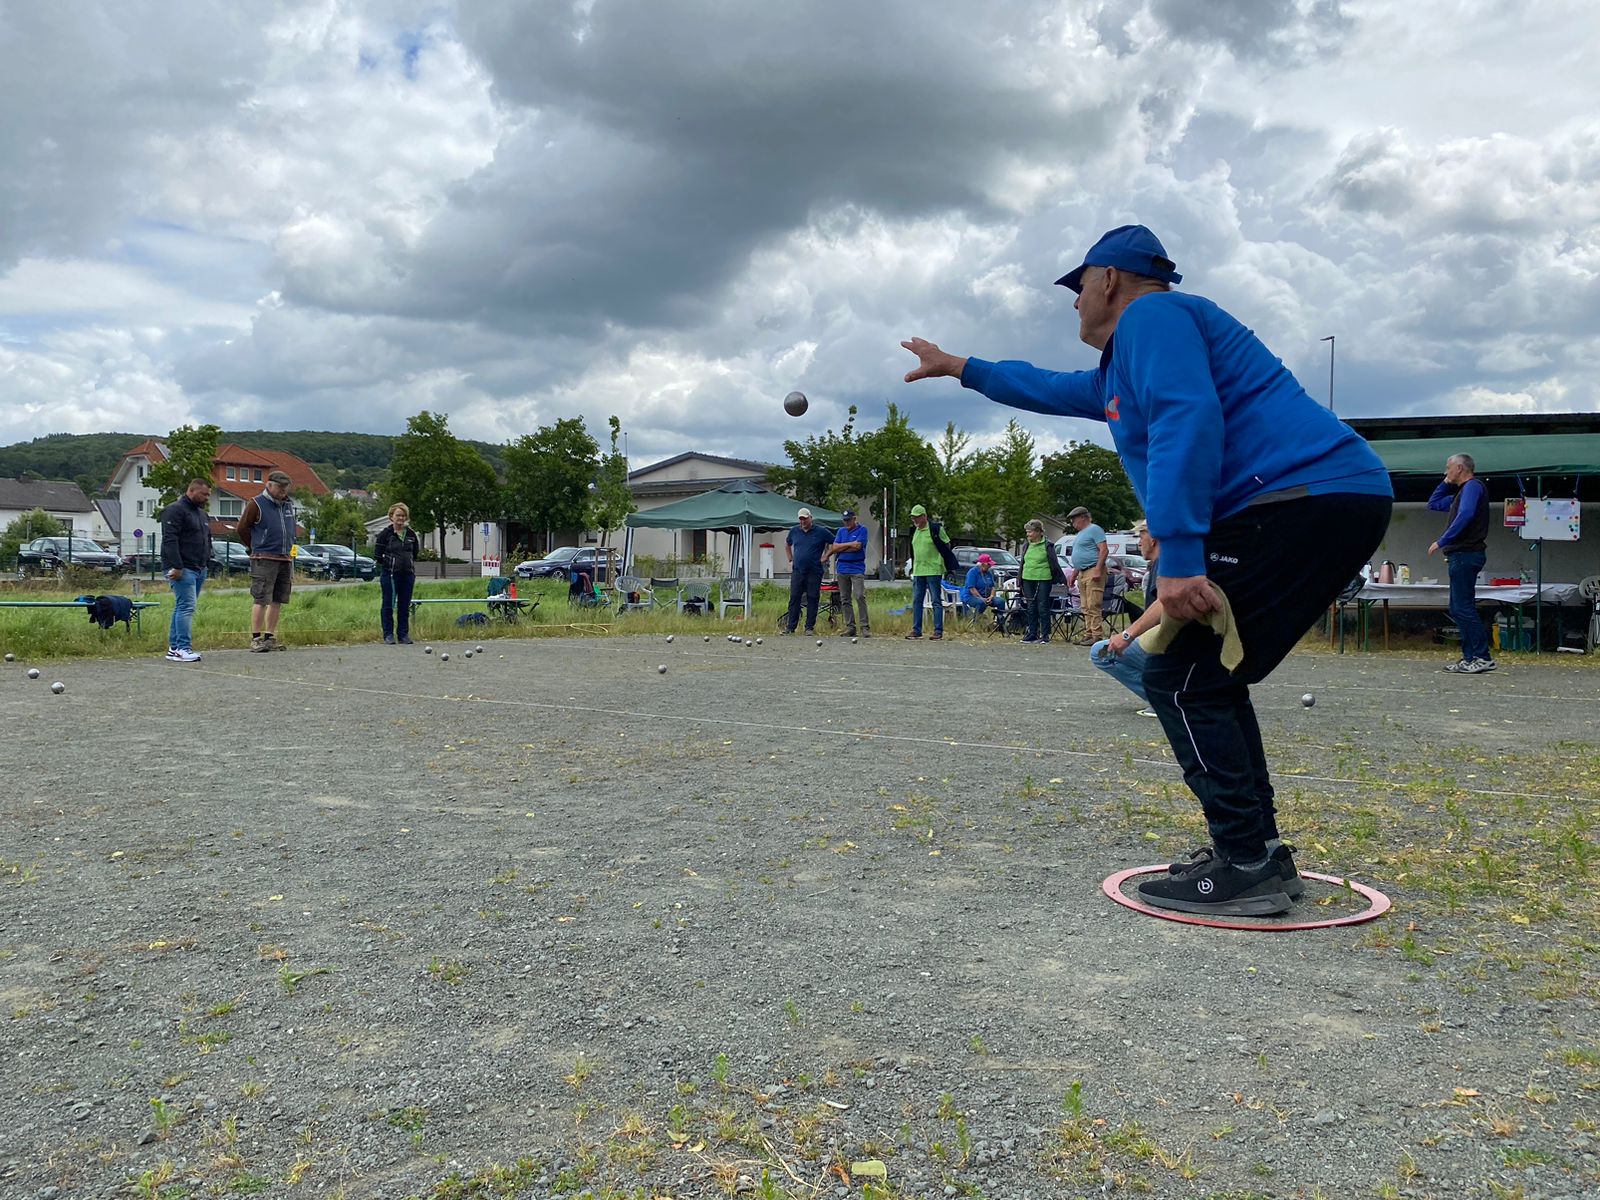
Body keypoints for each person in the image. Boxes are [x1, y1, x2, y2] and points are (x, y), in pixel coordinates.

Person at [901, 223, 1392, 917]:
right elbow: (1046, 385)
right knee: (1207, 675)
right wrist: (958, 365)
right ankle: (1258, 853)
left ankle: (1246, 861)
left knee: (1181, 676)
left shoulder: (1153, 318)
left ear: (1109, 280)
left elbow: (1185, 418)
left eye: (1078, 287)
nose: (1074, 303)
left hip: (1299, 496)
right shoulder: (1125, 363)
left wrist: (1181, 555)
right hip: (1319, 498)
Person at [1427, 453, 1495, 674]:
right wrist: (1446, 482)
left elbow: (1466, 514)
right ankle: (1469, 657)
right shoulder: (1461, 493)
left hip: (1466, 553)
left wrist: (1443, 540)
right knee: (1457, 608)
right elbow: (1433, 503)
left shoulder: (1473, 487)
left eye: (1448, 468)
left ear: (1459, 468)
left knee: (1463, 607)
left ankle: (1482, 656)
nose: (1445, 472)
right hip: (1461, 555)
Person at [1091, 521, 1161, 717]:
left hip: (1169, 644)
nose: (1139, 542)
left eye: (1141, 536)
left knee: (1101, 652)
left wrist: (1128, 635)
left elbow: (1163, 604)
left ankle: (1163, 697)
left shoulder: (1163, 564)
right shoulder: (1162, 564)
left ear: (1153, 539)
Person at [235, 469, 296, 652]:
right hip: (264, 558)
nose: (283, 490)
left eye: (286, 487)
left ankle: (270, 637)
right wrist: (255, 546)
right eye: (280, 487)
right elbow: (242, 528)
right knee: (261, 598)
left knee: (278, 598)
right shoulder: (256, 504)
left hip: (285, 557)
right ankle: (256, 638)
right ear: (269, 485)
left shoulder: (288, 505)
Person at [159, 478, 213, 663]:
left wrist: (207, 559)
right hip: (182, 568)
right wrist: (177, 565)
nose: (207, 498)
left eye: (208, 495)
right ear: (191, 491)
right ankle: (183, 648)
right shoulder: (174, 510)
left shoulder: (202, 515)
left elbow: (207, 539)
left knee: (183, 606)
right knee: (186, 607)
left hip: (199, 567)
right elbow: (170, 540)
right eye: (204, 494)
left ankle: (175, 647)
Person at [905, 504, 957, 640]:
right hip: (918, 570)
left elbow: (947, 544)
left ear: (924, 516)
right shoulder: (914, 531)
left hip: (933, 569)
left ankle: (938, 630)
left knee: (935, 600)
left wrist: (941, 559)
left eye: (917, 517)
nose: (914, 520)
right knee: (917, 600)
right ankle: (916, 630)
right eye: (913, 517)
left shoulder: (935, 529)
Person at [375, 503, 421, 644]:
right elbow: (378, 555)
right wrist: (390, 563)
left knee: (404, 605)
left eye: (403, 515)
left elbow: (415, 553)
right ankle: (388, 635)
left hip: (407, 574)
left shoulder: (411, 534)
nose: (401, 518)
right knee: (388, 605)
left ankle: (403, 634)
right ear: (391, 517)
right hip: (390, 575)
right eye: (398, 515)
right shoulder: (385, 534)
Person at [783, 508, 833, 635]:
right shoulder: (794, 531)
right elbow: (787, 544)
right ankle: (791, 627)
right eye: (801, 519)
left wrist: (826, 556)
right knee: (794, 597)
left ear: (810, 518)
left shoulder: (821, 531)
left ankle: (809, 627)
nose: (803, 521)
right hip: (798, 571)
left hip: (814, 571)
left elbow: (835, 542)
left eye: (805, 518)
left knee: (812, 598)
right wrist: (790, 559)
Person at [1018, 519, 1067, 643]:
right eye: (1027, 532)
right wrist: (1020, 579)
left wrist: (1060, 578)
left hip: (1043, 578)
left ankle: (1045, 635)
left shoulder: (1047, 545)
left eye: (1030, 532)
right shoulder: (1026, 545)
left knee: (1042, 606)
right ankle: (1032, 633)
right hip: (1027, 577)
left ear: (1038, 531)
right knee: (1031, 606)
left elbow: (1054, 563)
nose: (1028, 534)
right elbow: (1023, 562)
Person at [1065, 506, 1109, 642]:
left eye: (1074, 519)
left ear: (1083, 517)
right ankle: (1088, 633)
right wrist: (1074, 573)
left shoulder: (1094, 529)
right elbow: (1081, 555)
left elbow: (1104, 550)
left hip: (1093, 570)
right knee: (1084, 605)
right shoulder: (1080, 534)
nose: (1072, 523)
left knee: (1093, 604)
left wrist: (1098, 569)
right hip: (1082, 572)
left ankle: (1096, 635)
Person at [825, 509, 871, 637]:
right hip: (842, 568)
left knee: (859, 595)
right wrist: (850, 545)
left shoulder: (862, 530)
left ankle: (864, 626)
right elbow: (835, 548)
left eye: (849, 520)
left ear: (854, 519)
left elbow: (858, 547)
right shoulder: (841, 531)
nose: (847, 523)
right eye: (845, 520)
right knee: (845, 598)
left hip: (857, 567)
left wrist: (842, 547)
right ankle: (850, 627)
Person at [961, 553, 1004, 625]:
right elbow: (972, 589)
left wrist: (991, 596)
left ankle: (999, 623)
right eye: (988, 564)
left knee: (1001, 601)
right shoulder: (972, 572)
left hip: (986, 597)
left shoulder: (989, 573)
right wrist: (981, 598)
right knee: (981, 603)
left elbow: (993, 587)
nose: (990, 566)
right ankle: (976, 623)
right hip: (971, 596)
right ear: (982, 564)